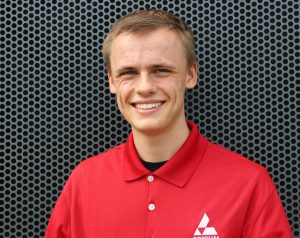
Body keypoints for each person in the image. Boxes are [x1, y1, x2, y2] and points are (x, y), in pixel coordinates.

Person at [45, 9, 293, 238]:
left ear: (190, 74)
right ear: (111, 81)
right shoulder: (84, 183)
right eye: (128, 73)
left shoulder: (249, 184)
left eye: (161, 70)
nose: (144, 87)